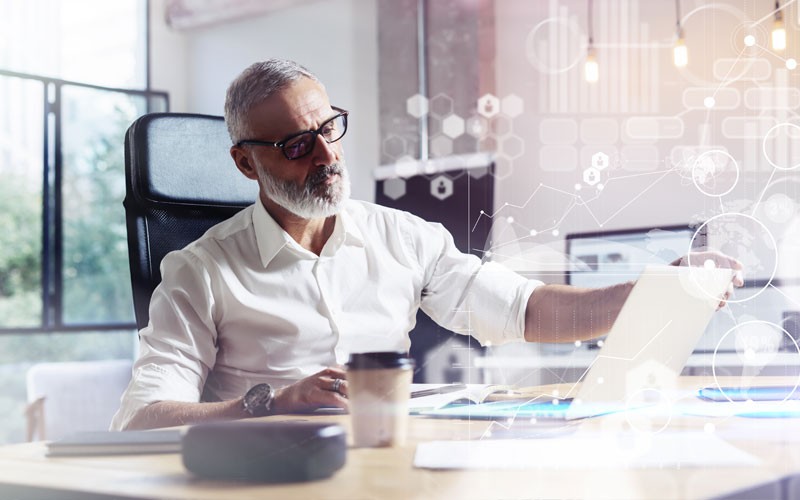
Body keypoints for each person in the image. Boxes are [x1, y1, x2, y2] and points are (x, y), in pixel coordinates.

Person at [111, 59, 742, 431]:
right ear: (247, 165)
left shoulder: (404, 237)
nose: (329, 156)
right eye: (298, 146)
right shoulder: (201, 271)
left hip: (391, 467)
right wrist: (271, 404)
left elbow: (525, 310)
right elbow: (138, 420)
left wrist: (657, 290)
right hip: (274, 480)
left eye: (329, 128)